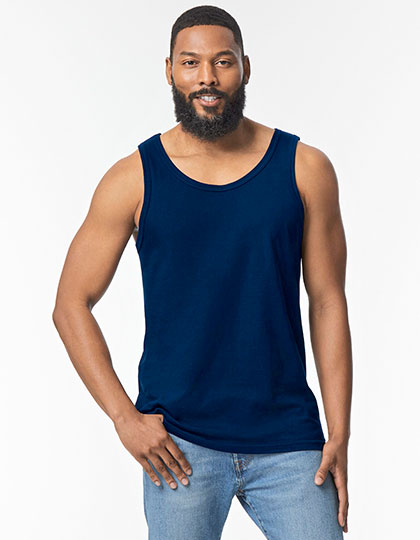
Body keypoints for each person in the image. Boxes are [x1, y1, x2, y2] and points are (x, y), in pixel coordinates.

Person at [53, 5, 352, 539]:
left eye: (223, 61)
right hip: (178, 445)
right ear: (170, 70)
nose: (207, 77)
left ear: (245, 68)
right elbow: (70, 304)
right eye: (190, 63)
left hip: (289, 439)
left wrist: (340, 431)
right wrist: (125, 419)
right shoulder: (133, 178)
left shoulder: (305, 168)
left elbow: (327, 300)